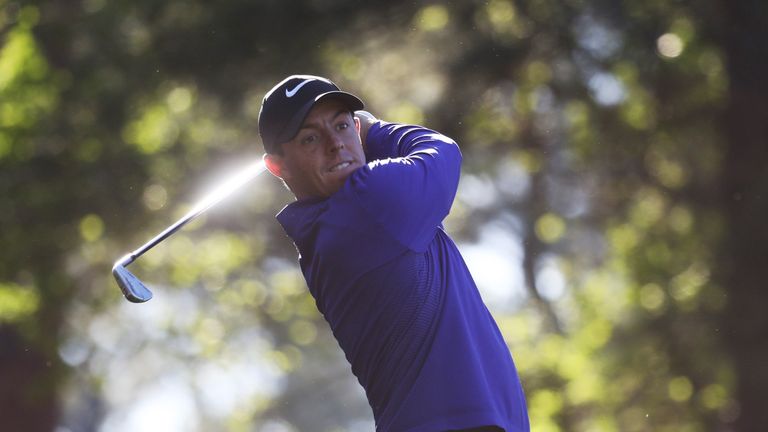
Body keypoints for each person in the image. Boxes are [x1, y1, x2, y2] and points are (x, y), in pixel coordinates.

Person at [258, 74, 530, 432]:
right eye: (310, 138)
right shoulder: (368, 202)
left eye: (341, 126)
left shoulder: (327, 232)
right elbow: (442, 152)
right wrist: (374, 130)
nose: (334, 144)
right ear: (279, 167)